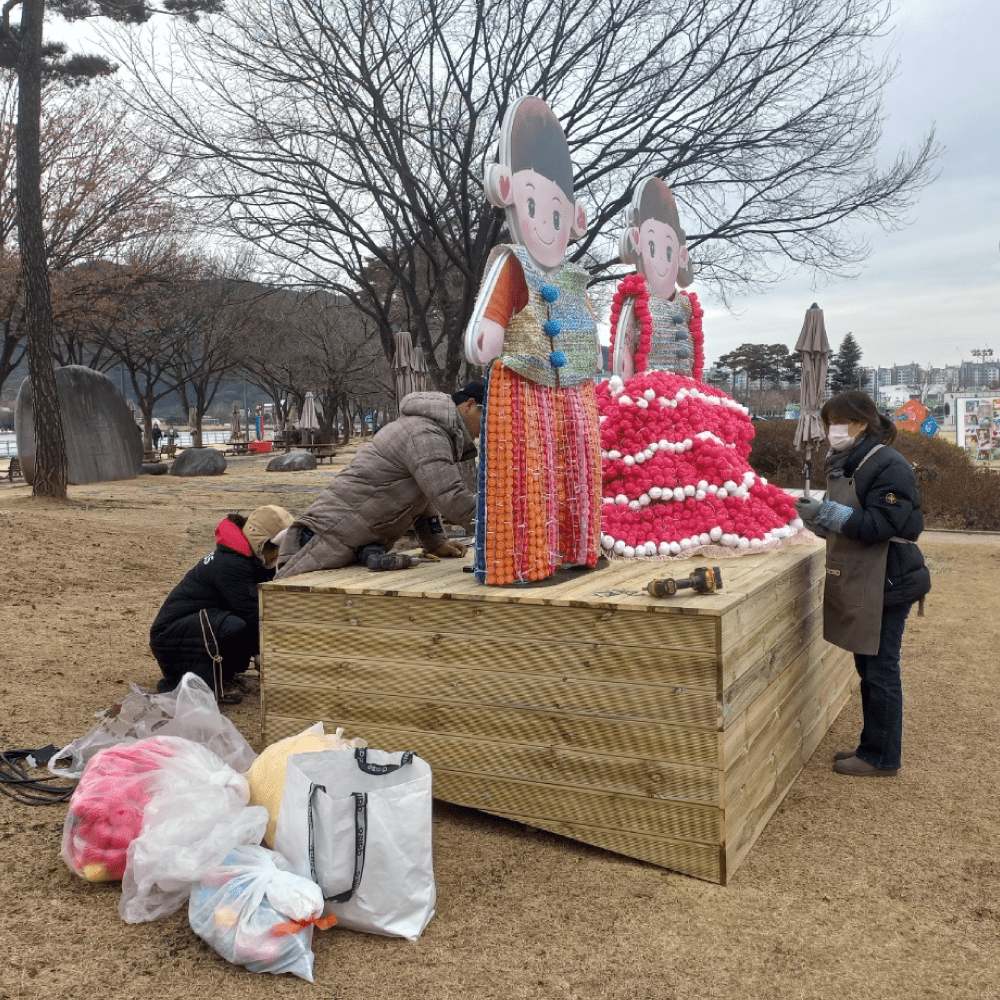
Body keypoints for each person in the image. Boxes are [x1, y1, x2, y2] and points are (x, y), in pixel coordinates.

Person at [598, 175, 798, 557]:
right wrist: (624, 389)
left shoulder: (688, 305)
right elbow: (623, 350)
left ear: (681, 255)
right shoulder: (634, 294)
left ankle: (705, 516)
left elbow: (694, 357)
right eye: (653, 247)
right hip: (643, 396)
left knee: (710, 458)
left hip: (686, 395)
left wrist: (695, 392)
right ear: (638, 245)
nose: (661, 258)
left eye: (668, 249)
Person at [465, 95, 603, 585]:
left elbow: (585, 328)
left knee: (578, 473)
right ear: (506, 190)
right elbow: (490, 321)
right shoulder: (512, 260)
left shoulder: (575, 277)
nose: (545, 224)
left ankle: (577, 546)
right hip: (524, 381)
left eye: (557, 214)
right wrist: (490, 333)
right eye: (532, 206)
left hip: (574, 391)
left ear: (575, 218)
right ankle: (521, 557)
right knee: (526, 477)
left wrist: (593, 358)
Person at [795, 390, 931, 777]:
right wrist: (816, 519)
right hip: (867, 575)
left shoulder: (889, 464)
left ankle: (882, 757)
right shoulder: (847, 462)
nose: (829, 430)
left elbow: (878, 526)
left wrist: (828, 512)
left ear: (859, 422)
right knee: (868, 667)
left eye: (834, 422)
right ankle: (872, 745)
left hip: (889, 576)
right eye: (826, 423)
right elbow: (848, 523)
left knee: (881, 670)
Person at [274, 384, 483, 579]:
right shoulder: (426, 433)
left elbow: (424, 494)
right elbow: (450, 496)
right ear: (469, 405)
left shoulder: (430, 430)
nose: (491, 424)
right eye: (488, 415)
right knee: (290, 606)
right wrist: (500, 530)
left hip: (349, 542)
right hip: (325, 539)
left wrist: (436, 542)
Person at [150, 505, 294, 703]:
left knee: (234, 625)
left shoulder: (245, 558)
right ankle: (202, 687)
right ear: (260, 542)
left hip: (186, 630)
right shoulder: (231, 564)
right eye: (276, 547)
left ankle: (223, 674)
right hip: (170, 638)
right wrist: (266, 653)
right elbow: (252, 614)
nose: (278, 554)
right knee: (233, 626)